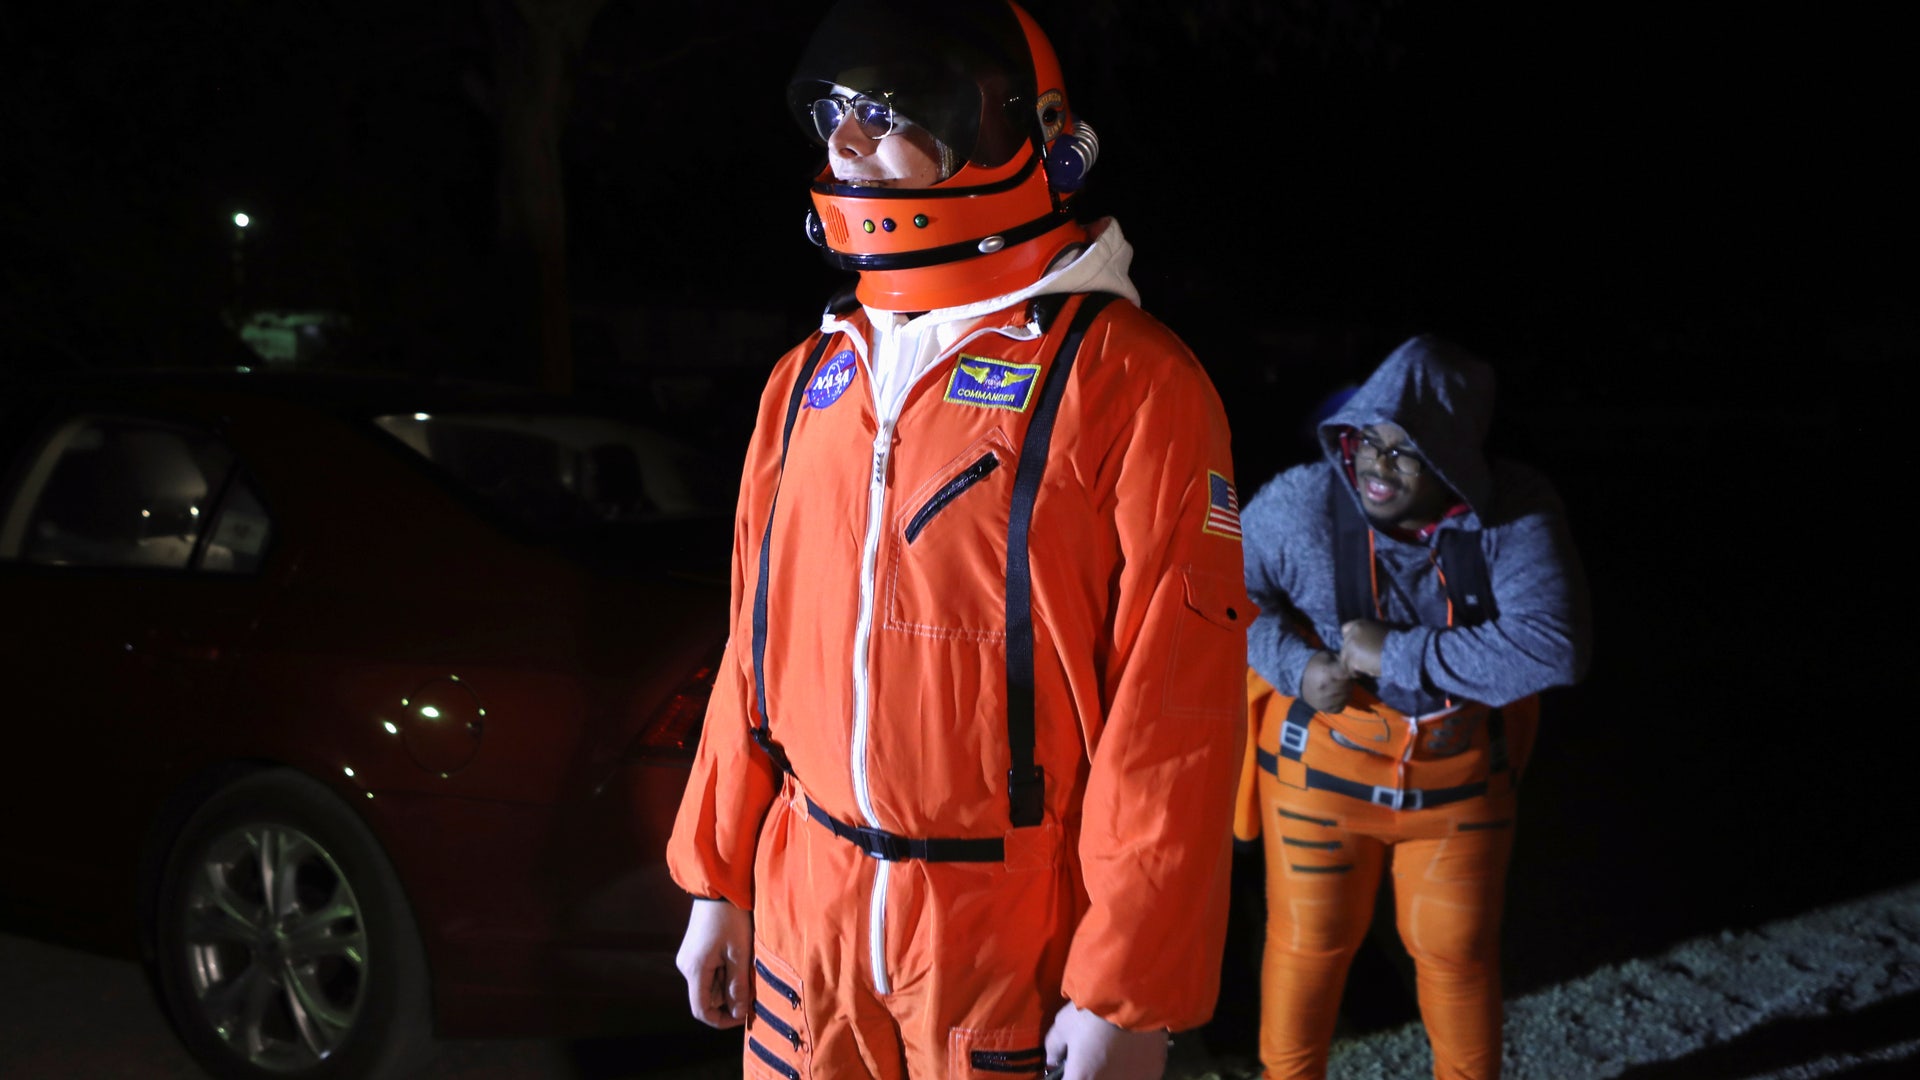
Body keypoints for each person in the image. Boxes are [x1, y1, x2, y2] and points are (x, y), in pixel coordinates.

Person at [665, 3, 1249, 1078]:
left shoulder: (1129, 384)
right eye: (833, 111)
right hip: (809, 919)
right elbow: (754, 646)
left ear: (1018, 128)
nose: (842, 142)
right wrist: (717, 877)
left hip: (1007, 941)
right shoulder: (808, 382)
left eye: (886, 111)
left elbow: (1174, 713)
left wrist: (1127, 986)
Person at [1232, 336, 1590, 1079]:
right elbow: (1218, 594)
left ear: (1457, 459)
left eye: (1406, 450)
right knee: (1307, 944)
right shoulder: (1301, 504)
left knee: (1457, 954)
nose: (1375, 464)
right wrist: (1295, 666)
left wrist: (1395, 655)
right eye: (1368, 441)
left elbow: (1556, 647)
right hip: (1321, 771)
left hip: (1459, 775)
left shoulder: (1511, 515)